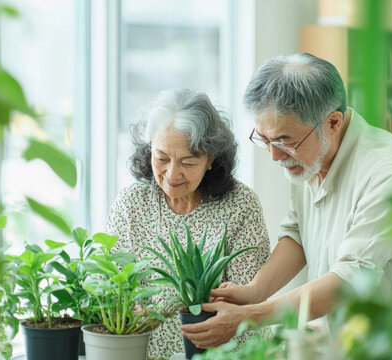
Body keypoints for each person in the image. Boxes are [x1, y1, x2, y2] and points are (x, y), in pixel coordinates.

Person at [180, 53, 392, 348]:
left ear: (333, 122)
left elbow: (349, 282)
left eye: (285, 141)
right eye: (264, 139)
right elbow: (297, 233)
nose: (274, 155)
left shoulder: (388, 176)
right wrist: (254, 290)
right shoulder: (310, 158)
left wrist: (248, 316)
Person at [105, 88, 270, 358]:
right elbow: (107, 281)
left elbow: (247, 302)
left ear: (211, 159)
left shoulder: (241, 205)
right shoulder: (130, 203)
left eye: (188, 162)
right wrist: (123, 309)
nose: (172, 173)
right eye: (161, 158)